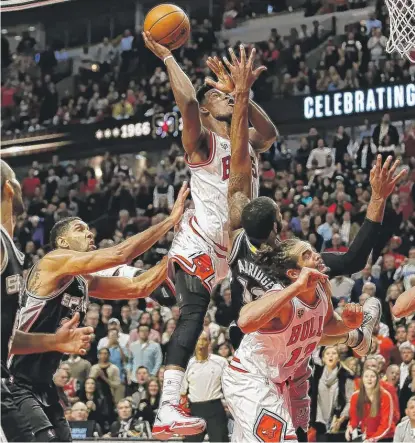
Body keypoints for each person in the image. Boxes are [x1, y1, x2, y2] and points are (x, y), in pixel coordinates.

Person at [143, 33, 277, 437]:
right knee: (192, 316)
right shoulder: (200, 141)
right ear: (204, 110)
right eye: (215, 97)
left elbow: (268, 134)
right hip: (200, 239)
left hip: (235, 247)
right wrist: (168, 57)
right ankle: (167, 406)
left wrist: (241, 95)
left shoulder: (246, 140)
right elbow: (185, 102)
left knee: (255, 318)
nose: (224, 98)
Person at [7, 183, 189, 441]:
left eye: (88, 229)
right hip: (14, 380)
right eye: (80, 230)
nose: (89, 234)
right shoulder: (53, 261)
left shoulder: (85, 281)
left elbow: (140, 286)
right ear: (62, 242)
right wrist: (171, 220)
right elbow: (120, 254)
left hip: (43, 384)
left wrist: (178, 250)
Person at [1, 159, 94, 442]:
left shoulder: (11, 247)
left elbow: (8, 339)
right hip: (16, 383)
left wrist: (54, 342)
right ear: (9, 188)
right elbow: (118, 257)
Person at [181, 332, 229, 442]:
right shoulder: (187, 364)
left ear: (209, 342)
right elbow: (182, 391)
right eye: (198, 340)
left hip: (215, 407)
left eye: (204, 340)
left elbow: (229, 387)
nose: (201, 343)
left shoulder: (221, 362)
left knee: (220, 440)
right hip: (194, 410)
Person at [346, 368, 395, 442]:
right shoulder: (355, 396)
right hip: (367, 437)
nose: (369, 379)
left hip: (385, 437)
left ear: (377, 379)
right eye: (366, 376)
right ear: (362, 379)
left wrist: (372, 439)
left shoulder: (385, 396)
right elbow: (354, 418)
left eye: (372, 376)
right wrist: (350, 427)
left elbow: (386, 425)